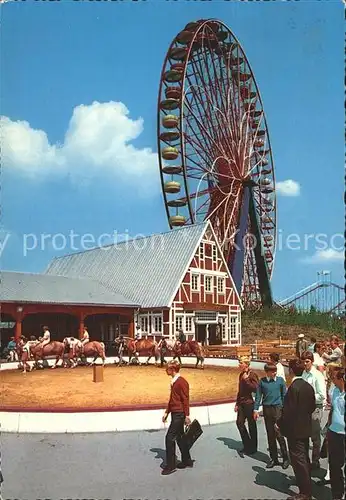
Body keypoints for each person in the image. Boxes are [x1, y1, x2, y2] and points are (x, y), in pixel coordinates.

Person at [278, 358, 316, 500]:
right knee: (304, 457)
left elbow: (288, 412)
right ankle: (305, 484)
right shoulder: (307, 386)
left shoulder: (293, 388)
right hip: (305, 427)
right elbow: (312, 407)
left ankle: (305, 492)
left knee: (298, 460)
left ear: (291, 371)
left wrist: (279, 424)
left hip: (295, 430)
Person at [254, 362, 289, 469]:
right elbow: (258, 396)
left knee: (279, 434)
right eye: (272, 371)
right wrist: (255, 409)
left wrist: (284, 410)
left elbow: (284, 396)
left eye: (275, 371)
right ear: (267, 372)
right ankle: (274, 459)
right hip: (267, 409)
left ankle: (285, 458)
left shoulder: (280, 381)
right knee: (270, 435)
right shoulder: (262, 382)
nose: (275, 373)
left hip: (277, 409)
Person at [161, 360, 192, 475]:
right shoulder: (174, 381)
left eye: (167, 368)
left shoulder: (181, 382)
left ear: (173, 369)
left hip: (179, 414)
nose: (166, 370)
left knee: (170, 438)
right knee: (180, 437)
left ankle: (171, 465)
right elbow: (172, 398)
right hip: (175, 412)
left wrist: (187, 415)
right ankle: (187, 460)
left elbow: (185, 399)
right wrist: (167, 412)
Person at [300, 350, 326, 470]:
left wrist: (308, 397)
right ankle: (306, 460)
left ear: (312, 361)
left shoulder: (317, 375)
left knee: (315, 436)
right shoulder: (304, 374)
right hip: (304, 408)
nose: (305, 364)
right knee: (304, 433)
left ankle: (315, 461)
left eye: (307, 361)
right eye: (303, 362)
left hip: (315, 408)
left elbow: (321, 395)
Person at [235, 356, 259, 455]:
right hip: (241, 403)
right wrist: (237, 403)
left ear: (246, 364)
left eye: (241, 363)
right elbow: (240, 391)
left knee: (251, 425)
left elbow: (256, 388)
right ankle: (247, 444)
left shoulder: (252, 375)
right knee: (239, 423)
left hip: (249, 403)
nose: (239, 365)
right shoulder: (241, 375)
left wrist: (247, 380)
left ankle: (253, 447)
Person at [327, 367, 345, 500]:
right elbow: (332, 409)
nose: (332, 380)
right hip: (334, 432)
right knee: (334, 465)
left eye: (334, 378)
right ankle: (337, 495)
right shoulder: (334, 391)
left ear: (341, 379)